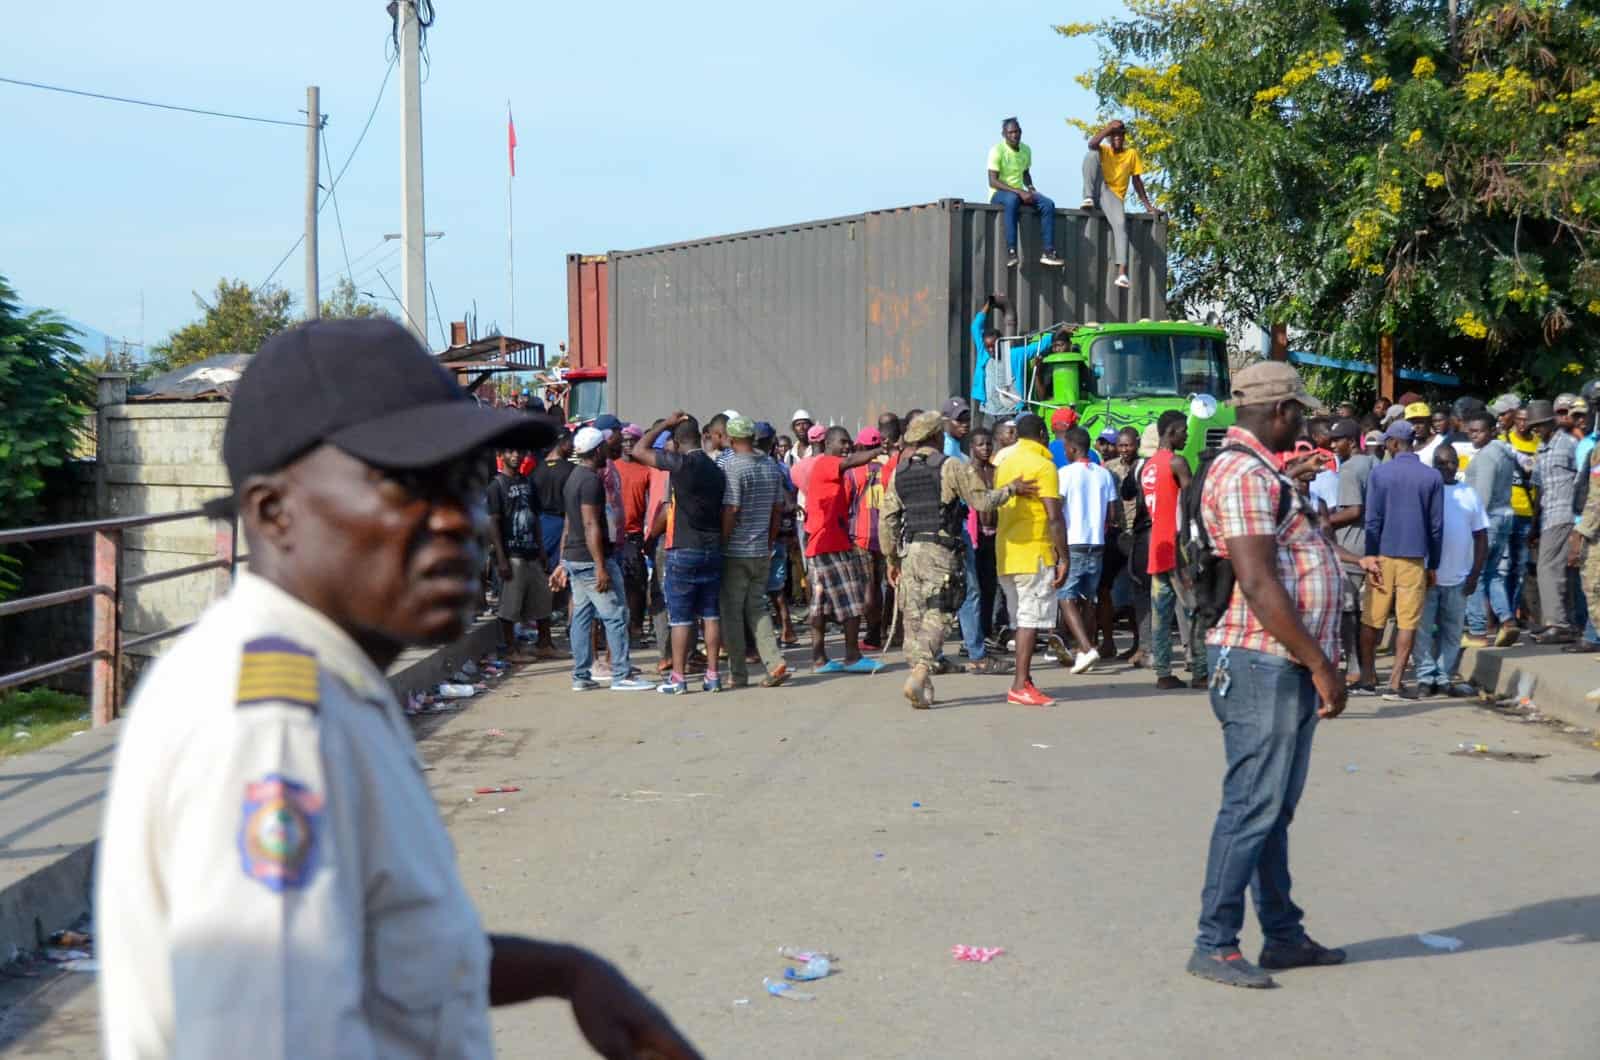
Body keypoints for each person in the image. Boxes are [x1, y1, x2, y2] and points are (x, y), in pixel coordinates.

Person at [95, 319, 698, 1058]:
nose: (459, 521)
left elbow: (373, 948)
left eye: (467, 484)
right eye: (405, 483)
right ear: (273, 513)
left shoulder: (324, 679)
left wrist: (567, 973)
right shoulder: (270, 722)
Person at [1187, 361, 1347, 990]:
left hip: (1275, 661)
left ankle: (1282, 934)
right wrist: (1319, 663)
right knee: (1252, 806)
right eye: (1300, 413)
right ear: (1280, 413)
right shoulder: (1244, 474)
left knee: (1272, 809)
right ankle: (1215, 942)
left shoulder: (1259, 472)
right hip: (1264, 661)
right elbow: (1257, 581)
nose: (1303, 424)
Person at [881, 411, 1036, 707]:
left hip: (910, 551)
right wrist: (1011, 489)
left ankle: (920, 680)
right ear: (937, 436)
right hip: (940, 550)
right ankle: (922, 669)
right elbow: (981, 501)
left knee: (914, 617)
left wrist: (890, 559)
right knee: (940, 612)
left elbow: (887, 520)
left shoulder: (899, 472)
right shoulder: (951, 466)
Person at [554, 428, 657, 692]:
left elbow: (569, 523)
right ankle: (621, 675)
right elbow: (590, 524)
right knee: (615, 615)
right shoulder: (590, 481)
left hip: (575, 558)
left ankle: (581, 676)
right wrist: (601, 566)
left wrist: (563, 560)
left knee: (582, 616)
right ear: (597, 450)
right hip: (591, 560)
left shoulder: (574, 477)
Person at [633, 413, 728, 693]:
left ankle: (679, 678)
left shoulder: (680, 464)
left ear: (675, 440)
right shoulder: (716, 469)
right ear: (700, 436)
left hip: (683, 547)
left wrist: (663, 424)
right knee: (710, 614)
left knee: (681, 618)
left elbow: (639, 450)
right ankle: (713, 675)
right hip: (712, 547)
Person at [1355, 420, 1443, 700]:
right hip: (1415, 558)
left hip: (1382, 554)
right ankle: (1395, 682)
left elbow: (1372, 520)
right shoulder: (1432, 477)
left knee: (1372, 618)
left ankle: (1368, 677)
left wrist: (1369, 554)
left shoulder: (1380, 474)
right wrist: (1434, 564)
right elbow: (1436, 526)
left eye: (1386, 443)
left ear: (1393, 444)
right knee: (1407, 622)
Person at [994, 413, 1071, 705]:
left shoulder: (1004, 464)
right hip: (1034, 553)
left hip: (1006, 552)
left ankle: (1024, 679)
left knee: (1020, 618)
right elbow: (1054, 517)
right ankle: (1019, 686)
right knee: (1029, 619)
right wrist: (1063, 557)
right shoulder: (1044, 465)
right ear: (1041, 433)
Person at [795, 427, 884, 673]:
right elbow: (852, 461)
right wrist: (877, 451)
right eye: (843, 442)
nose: (847, 447)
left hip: (825, 543)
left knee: (820, 606)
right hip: (829, 545)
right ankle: (852, 656)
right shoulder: (827, 464)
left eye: (849, 442)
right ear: (828, 443)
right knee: (852, 601)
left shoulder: (836, 471)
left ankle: (820, 659)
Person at [718, 417, 790, 689]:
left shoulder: (733, 467)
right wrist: (770, 542)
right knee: (757, 608)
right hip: (761, 549)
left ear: (733, 439)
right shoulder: (770, 466)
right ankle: (774, 662)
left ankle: (738, 673)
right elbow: (777, 509)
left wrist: (722, 543)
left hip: (736, 550)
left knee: (733, 613)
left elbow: (731, 509)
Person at [1414, 446, 1487, 697]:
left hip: (1458, 579)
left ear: (1459, 464)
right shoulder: (1425, 493)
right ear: (1433, 465)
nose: (1447, 467)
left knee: (1452, 633)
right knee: (1422, 633)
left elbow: (1481, 537)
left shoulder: (1469, 494)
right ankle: (1425, 678)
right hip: (1427, 577)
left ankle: (1443, 678)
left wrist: (1475, 574)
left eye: (1452, 463)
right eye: (1441, 463)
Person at [1142, 410, 1207, 689]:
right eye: (1183, 431)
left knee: (1161, 612)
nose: (1187, 435)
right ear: (1171, 431)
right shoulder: (1177, 462)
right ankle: (1202, 671)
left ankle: (1163, 672)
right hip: (1178, 546)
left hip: (1157, 545)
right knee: (1195, 609)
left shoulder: (1147, 466)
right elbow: (1192, 505)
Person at [1056, 426, 1119, 672]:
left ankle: (1087, 647)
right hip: (1097, 543)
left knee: (1065, 597)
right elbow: (1113, 514)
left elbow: (1057, 513)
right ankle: (1086, 649)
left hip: (1074, 542)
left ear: (1071, 448)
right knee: (1088, 600)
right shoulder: (1104, 474)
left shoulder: (1065, 474)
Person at [485, 445, 555, 662]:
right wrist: (501, 558)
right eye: (510, 451)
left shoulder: (526, 482)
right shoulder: (496, 486)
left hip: (532, 551)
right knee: (510, 605)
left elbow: (534, 517)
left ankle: (544, 644)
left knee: (543, 599)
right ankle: (510, 650)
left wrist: (542, 549)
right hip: (512, 554)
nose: (516, 455)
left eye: (519, 451)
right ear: (501, 455)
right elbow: (493, 523)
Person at [1461, 411, 1519, 647]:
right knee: (1492, 574)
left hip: (1487, 520)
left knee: (1474, 574)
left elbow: (1481, 497)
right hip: (1505, 516)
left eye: (1479, 431)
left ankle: (1477, 631)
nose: (1473, 435)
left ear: (1492, 431)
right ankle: (1507, 621)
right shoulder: (1503, 452)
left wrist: (1471, 526)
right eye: (1471, 431)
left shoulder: (1486, 457)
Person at [1082, 119, 1159, 290]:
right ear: (1109, 137)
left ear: (1124, 137)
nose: (1117, 138)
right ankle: (1087, 197)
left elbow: (1137, 181)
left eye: (1120, 135)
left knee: (1120, 225)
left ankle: (1122, 273)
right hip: (1098, 188)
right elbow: (1092, 143)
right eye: (1114, 135)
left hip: (1113, 196)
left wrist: (1148, 206)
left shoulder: (1131, 153)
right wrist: (1108, 128)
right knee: (1091, 154)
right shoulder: (1104, 149)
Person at [1325, 419, 1373, 679]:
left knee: (1348, 612)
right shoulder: (1374, 462)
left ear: (1352, 442)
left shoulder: (1349, 469)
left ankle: (1355, 668)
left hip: (1351, 546)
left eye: (1337, 440)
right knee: (1369, 613)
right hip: (1373, 544)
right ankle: (1369, 669)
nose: (1333, 445)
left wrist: (1322, 519)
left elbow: (1354, 510)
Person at [1528, 398, 1579, 642]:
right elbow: (1538, 489)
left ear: (1552, 422)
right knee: (1556, 569)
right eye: (1533, 426)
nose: (1536, 429)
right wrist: (1534, 523)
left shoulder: (1569, 444)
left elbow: (1583, 479)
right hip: (1548, 515)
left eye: (1540, 425)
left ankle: (1558, 624)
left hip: (1565, 513)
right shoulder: (1541, 448)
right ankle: (1560, 621)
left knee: (1548, 567)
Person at [987, 117, 1064, 269]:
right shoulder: (997, 150)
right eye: (1010, 132)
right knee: (1012, 200)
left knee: (1048, 204)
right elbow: (993, 181)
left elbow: (1025, 173)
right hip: (999, 193)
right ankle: (1011, 251)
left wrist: (1030, 188)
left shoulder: (1026, 150)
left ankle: (1048, 252)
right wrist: (1019, 192)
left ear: (1021, 132)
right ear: (1004, 134)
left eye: (1016, 132)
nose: (1014, 135)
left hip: (1020, 192)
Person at [613, 424, 653, 641]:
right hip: (613, 534)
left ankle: (636, 626)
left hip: (634, 534)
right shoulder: (612, 467)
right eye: (625, 440)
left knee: (635, 582)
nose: (628, 444)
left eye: (632, 441)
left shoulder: (646, 469)